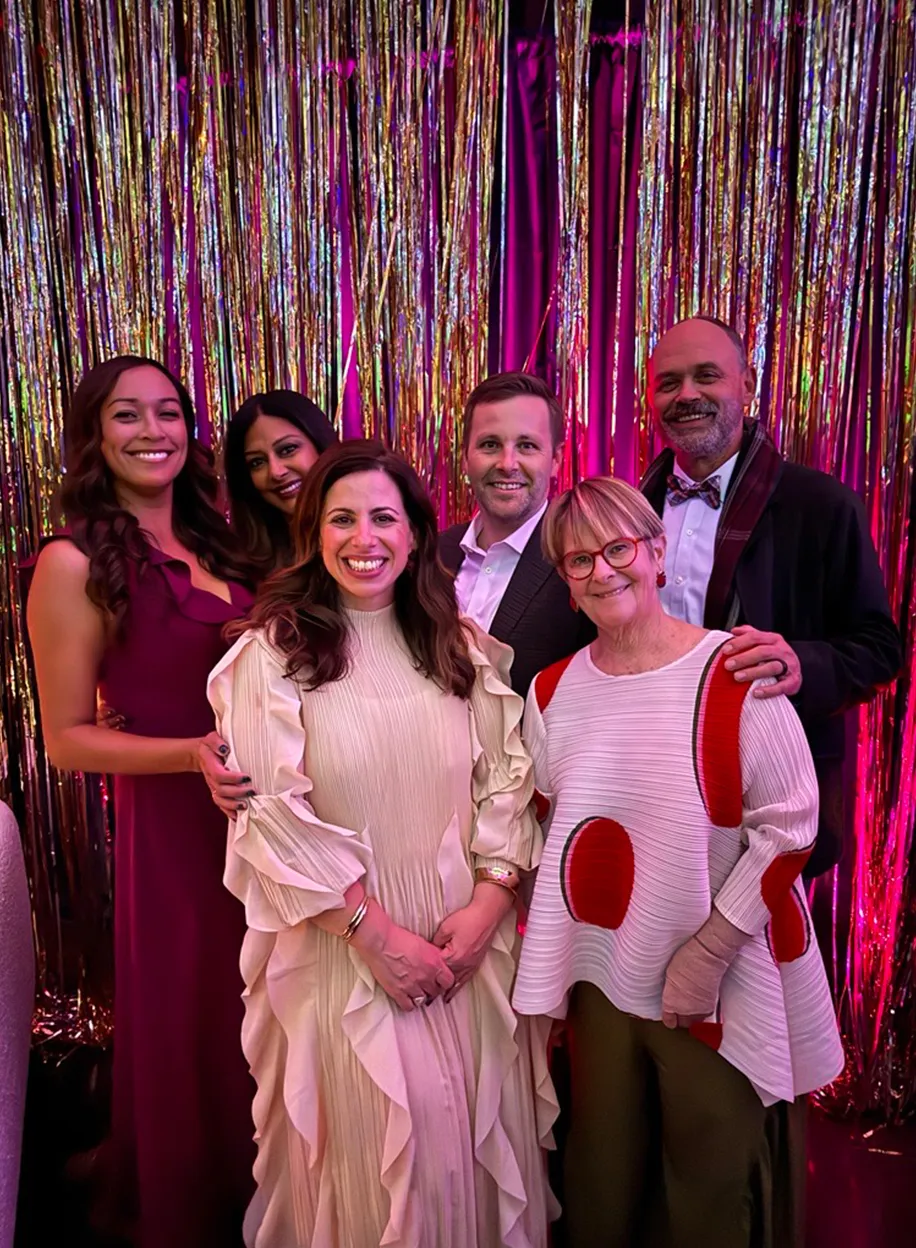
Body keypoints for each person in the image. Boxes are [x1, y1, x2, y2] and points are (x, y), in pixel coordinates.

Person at [207, 439, 554, 1248]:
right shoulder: (270, 656)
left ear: (415, 532)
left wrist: (490, 901)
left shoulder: (460, 648)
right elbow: (271, 811)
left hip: (464, 945)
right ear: (314, 535)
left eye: (384, 518)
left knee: (470, 1151)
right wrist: (375, 936)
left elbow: (507, 778)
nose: (364, 538)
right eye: (341, 519)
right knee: (376, 1163)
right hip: (344, 952)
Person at [512, 476, 844, 1248]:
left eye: (618, 548)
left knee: (709, 1178)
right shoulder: (552, 691)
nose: (602, 570)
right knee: (602, 1173)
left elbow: (789, 826)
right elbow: (542, 824)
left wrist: (709, 952)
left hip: (712, 976)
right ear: (564, 581)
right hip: (598, 977)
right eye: (578, 560)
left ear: (657, 553)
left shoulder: (733, 671)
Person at [25, 357, 257, 1248]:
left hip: (264, 815)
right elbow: (66, 738)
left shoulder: (223, 543)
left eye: (169, 412)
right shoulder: (72, 560)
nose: (154, 429)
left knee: (261, 1007)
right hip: (175, 819)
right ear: (96, 434)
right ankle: (196, 1204)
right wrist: (190, 756)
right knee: (199, 1009)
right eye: (129, 415)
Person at [640, 316, 901, 877]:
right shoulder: (629, 509)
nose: (687, 395)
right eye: (669, 382)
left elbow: (880, 649)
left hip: (770, 810)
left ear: (747, 385)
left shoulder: (822, 505)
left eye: (706, 375)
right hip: (648, 797)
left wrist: (801, 662)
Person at [440, 372, 594, 698]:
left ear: (556, 459)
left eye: (526, 446)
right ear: (465, 456)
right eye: (490, 444)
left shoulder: (585, 561)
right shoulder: (431, 553)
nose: (508, 463)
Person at [225, 388, 339, 577]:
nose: (276, 472)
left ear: (320, 445)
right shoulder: (241, 567)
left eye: (288, 449)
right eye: (257, 462)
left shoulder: (370, 538)